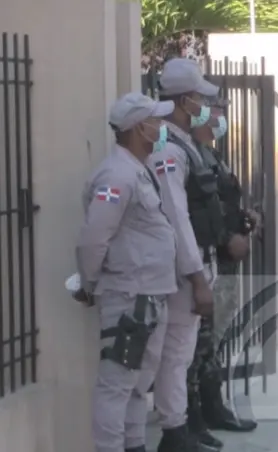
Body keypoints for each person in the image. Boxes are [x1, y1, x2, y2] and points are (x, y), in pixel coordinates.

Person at [78, 92, 177, 452]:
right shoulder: (117, 175)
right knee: (117, 383)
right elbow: (94, 237)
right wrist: (89, 283)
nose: (162, 128)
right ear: (138, 128)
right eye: (157, 122)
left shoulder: (138, 169)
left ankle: (135, 444)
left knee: (138, 383)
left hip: (151, 293)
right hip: (129, 296)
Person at [152, 57, 220, 452]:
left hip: (192, 265)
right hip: (180, 271)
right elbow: (177, 216)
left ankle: (179, 429)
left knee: (181, 353)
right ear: (184, 101)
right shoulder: (168, 149)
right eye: (199, 98)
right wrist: (196, 276)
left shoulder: (184, 143)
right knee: (175, 355)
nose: (205, 107)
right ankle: (174, 432)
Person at [183, 108, 260, 448]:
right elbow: (193, 213)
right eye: (214, 110)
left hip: (223, 261)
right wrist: (227, 238)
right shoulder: (185, 155)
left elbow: (221, 204)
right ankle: (190, 417)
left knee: (215, 340)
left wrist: (245, 218)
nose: (220, 117)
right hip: (207, 258)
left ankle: (213, 407)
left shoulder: (210, 154)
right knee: (197, 344)